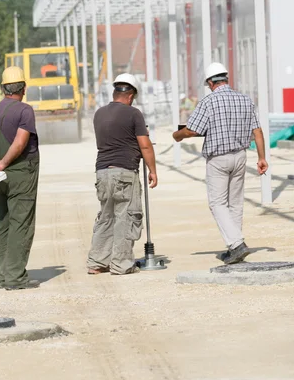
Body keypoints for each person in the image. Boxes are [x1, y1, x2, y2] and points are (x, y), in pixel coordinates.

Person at [172, 62, 268, 265]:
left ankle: (236, 244)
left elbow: (192, 130)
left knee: (217, 203)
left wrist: (178, 135)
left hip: (218, 159)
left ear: (210, 82)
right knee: (235, 203)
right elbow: (257, 132)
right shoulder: (245, 100)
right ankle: (234, 247)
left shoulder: (209, 102)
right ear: (226, 78)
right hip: (241, 156)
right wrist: (262, 158)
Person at [87, 73, 158, 275]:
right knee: (126, 217)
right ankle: (121, 264)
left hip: (102, 173)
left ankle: (97, 262)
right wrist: (153, 170)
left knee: (106, 217)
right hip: (125, 172)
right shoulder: (133, 114)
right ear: (131, 96)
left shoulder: (99, 113)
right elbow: (145, 146)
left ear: (115, 92)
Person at [0, 66, 40, 291]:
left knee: (1, 223)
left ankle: (1, 276)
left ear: (3, 88)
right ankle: (15, 278)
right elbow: (21, 142)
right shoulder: (25, 110)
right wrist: (3, 163)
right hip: (20, 175)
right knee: (20, 224)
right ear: (23, 88)